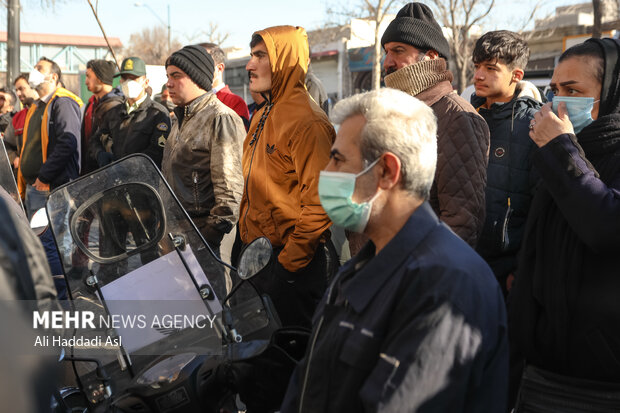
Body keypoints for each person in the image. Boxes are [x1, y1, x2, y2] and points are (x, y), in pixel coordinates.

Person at [280, 88, 508, 413]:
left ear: (387, 171)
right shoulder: (363, 266)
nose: (325, 171)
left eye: (338, 158)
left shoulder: (444, 287)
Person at [508, 38, 620, 411]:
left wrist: (562, 150)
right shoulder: (560, 151)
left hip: (600, 384)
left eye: (573, 90)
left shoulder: (564, 150)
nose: (558, 101)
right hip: (541, 370)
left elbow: (605, 225)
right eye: (554, 89)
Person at [239, 26, 336, 329]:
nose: (249, 65)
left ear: (283, 60)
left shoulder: (308, 122)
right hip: (258, 259)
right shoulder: (263, 114)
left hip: (292, 268)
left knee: (287, 362)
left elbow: (320, 205)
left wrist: (287, 267)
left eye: (260, 56)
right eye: (251, 55)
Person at [381, 2, 489, 248]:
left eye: (398, 50)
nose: (387, 62)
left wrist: (424, 278)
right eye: (386, 51)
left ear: (431, 57)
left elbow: (461, 223)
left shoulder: (459, 118)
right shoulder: (391, 112)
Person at [470, 30, 541, 295]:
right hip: (464, 254)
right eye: (477, 67)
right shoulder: (467, 116)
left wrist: (521, 268)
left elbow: (540, 206)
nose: (478, 75)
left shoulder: (535, 124)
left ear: (516, 75)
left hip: (508, 269)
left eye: (490, 68)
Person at [161, 45, 245, 255]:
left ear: (197, 77)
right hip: (178, 236)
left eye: (176, 75)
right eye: (167, 75)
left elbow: (230, 194)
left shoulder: (220, 118)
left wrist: (208, 238)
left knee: (211, 289)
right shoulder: (181, 119)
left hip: (205, 243)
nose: (168, 83)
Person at [17, 57, 83, 217]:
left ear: (53, 77)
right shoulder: (37, 106)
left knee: (55, 239)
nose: (34, 72)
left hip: (51, 187)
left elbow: (67, 143)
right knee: (38, 239)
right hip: (35, 186)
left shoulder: (63, 103)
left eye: (39, 69)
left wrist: (44, 176)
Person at [89, 57, 170, 168]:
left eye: (133, 78)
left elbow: (157, 152)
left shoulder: (158, 114)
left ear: (145, 82)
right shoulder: (113, 112)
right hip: (114, 178)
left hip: (142, 180)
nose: (128, 83)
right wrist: (99, 153)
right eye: (125, 78)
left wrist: (126, 166)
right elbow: (95, 140)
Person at [81, 59, 123, 175]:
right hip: (88, 172)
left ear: (100, 78)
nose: (86, 82)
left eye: (89, 76)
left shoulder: (116, 106)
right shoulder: (91, 104)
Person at [200, 42, 251, 129]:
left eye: (203, 64)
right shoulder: (191, 102)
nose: (198, 69)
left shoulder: (235, 103)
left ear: (219, 68)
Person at [3, 74, 39, 172]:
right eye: (16, 90)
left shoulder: (47, 111)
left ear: (33, 87)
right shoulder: (18, 117)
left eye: (21, 89)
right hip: (24, 176)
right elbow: (6, 144)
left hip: (45, 175)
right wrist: (14, 157)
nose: (18, 93)